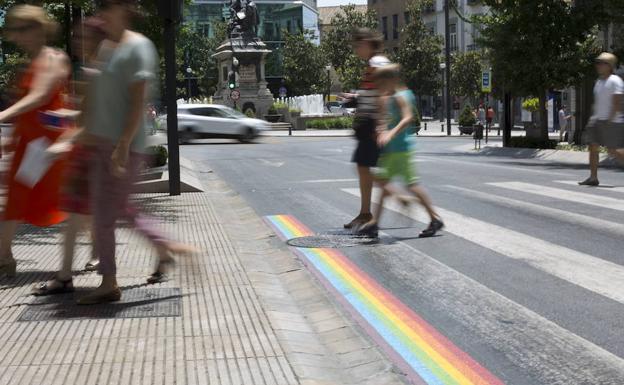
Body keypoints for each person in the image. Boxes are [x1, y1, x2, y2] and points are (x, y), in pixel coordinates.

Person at [75, 0, 178, 304]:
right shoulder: (107, 48)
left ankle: (109, 282)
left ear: (123, 9)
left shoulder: (138, 47)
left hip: (125, 148)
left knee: (105, 216)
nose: (102, 13)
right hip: (102, 145)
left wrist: (121, 145)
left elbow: (136, 101)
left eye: (107, 6)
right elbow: (97, 98)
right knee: (117, 211)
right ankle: (162, 250)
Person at [0, 5, 71, 277]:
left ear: (38, 29)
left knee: (28, 198)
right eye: (14, 30)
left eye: (21, 29)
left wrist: (4, 114)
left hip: (44, 146)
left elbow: (40, 96)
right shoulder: (33, 61)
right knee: (27, 199)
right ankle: (4, 256)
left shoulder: (54, 58)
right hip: (30, 143)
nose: (16, 36)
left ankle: (4, 257)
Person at [357, 64, 444, 238]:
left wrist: (390, 133)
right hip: (393, 150)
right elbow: (385, 117)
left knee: (411, 184)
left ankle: (434, 218)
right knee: (386, 182)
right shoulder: (392, 95)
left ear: (391, 81)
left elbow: (407, 118)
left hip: (401, 149)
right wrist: (381, 129)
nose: (379, 88)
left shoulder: (399, 96)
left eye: (381, 84)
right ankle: (374, 224)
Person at [340, 28, 390, 230]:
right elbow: (373, 91)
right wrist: (354, 98)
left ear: (368, 43)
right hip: (369, 123)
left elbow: (385, 91)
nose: (356, 49)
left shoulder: (377, 63)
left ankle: (387, 198)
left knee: (364, 168)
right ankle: (365, 213)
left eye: (358, 45)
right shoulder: (373, 63)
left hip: (372, 124)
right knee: (363, 168)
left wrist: (380, 123)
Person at [579, 52, 624, 186]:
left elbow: (617, 102)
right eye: (597, 62)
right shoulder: (599, 81)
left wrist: (609, 119)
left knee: (613, 150)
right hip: (598, 119)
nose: (598, 65)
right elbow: (598, 102)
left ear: (609, 66)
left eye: (601, 63)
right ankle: (593, 178)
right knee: (593, 147)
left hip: (612, 121)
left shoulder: (615, 80)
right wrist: (594, 117)